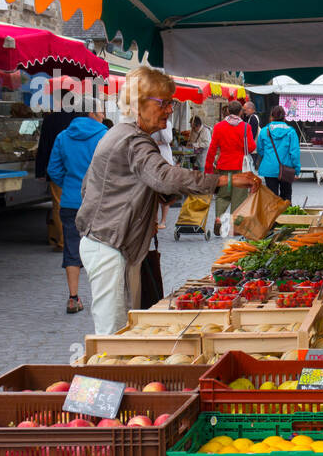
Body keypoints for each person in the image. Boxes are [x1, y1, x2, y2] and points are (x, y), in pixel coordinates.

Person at [77, 67, 257, 335]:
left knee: (124, 326)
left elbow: (90, 188)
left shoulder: (121, 135)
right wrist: (224, 181)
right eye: (164, 103)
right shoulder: (133, 141)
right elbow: (165, 177)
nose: (170, 110)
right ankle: (108, 377)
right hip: (110, 245)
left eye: (171, 103)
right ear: (139, 103)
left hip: (110, 241)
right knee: (113, 333)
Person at [46, 107, 106, 314]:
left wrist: (71, 186)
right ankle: (102, 298)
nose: (103, 115)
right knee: (102, 249)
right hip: (99, 202)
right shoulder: (105, 135)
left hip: (71, 202)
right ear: (92, 114)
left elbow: (53, 169)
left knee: (71, 249)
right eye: (101, 111)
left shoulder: (63, 136)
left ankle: (73, 298)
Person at [204, 99, 257, 236]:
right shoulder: (246, 127)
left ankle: (218, 219)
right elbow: (251, 147)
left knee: (223, 196)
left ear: (228, 111)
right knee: (239, 197)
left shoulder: (219, 127)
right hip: (240, 167)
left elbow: (212, 148)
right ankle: (236, 227)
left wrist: (208, 168)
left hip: (224, 166)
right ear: (240, 112)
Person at [35, 107, 79, 252]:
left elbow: (44, 146)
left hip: (59, 171)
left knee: (59, 206)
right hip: (78, 171)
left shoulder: (50, 119)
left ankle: (62, 241)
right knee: (80, 205)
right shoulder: (80, 119)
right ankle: (78, 241)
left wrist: (40, 170)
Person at [256, 104, 301, 200]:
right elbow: (294, 153)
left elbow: (260, 149)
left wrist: (268, 157)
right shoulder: (291, 132)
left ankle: (273, 215)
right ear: (284, 117)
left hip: (269, 168)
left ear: (271, 116)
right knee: (286, 197)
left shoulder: (264, 131)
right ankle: (286, 214)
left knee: (271, 198)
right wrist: (296, 170)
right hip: (286, 168)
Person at [150, 120, 174, 230]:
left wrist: (160, 127)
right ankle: (154, 220)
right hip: (151, 159)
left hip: (165, 159)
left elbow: (168, 139)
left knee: (164, 192)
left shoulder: (166, 123)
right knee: (152, 192)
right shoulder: (148, 122)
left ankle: (163, 220)